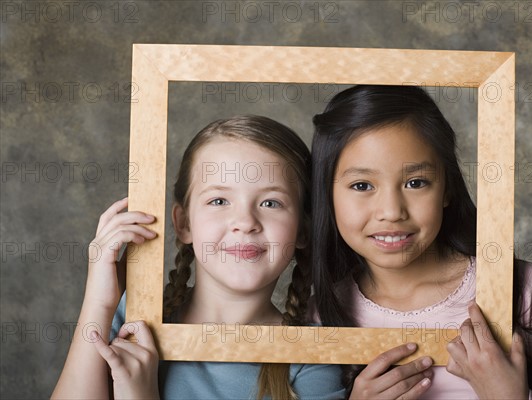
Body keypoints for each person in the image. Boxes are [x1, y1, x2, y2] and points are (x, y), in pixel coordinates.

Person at [310, 85, 532, 399]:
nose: (391, 212)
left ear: (447, 189)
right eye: (362, 185)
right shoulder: (325, 313)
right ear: (328, 195)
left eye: (416, 182)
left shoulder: (519, 288)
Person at [53, 115, 345, 399]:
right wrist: (99, 301)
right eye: (219, 200)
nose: (245, 221)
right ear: (184, 224)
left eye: (271, 202)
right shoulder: (134, 315)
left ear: (304, 229)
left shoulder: (313, 355)